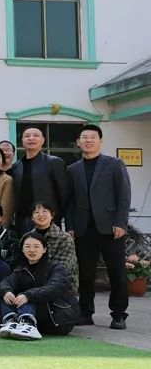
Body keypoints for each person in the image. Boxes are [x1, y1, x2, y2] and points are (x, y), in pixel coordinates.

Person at [66, 124, 132, 329]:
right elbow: (70, 201)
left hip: (111, 228)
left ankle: (118, 314)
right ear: (78, 142)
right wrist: (70, 225)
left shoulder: (114, 164)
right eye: (84, 137)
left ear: (100, 141)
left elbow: (124, 195)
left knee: (117, 273)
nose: (88, 140)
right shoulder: (72, 169)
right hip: (83, 229)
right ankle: (85, 312)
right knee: (85, 274)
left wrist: (120, 222)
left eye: (92, 137)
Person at [0, 233, 80, 339]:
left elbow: (55, 287)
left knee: (28, 295)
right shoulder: (20, 269)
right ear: (22, 250)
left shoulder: (56, 267)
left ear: (44, 249)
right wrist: (6, 291)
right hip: (38, 318)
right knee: (8, 295)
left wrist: (28, 295)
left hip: (56, 319)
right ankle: (11, 322)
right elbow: (5, 283)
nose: (32, 250)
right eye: (27, 246)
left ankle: (28, 324)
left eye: (36, 246)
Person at [11, 126, 70, 233]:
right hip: (22, 222)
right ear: (22, 141)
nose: (31, 138)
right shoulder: (16, 166)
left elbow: (64, 195)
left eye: (36, 135)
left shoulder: (54, 162)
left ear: (43, 140)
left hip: (47, 221)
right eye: (27, 136)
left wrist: (56, 217)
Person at [27, 201, 79, 295]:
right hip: (33, 283)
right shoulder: (27, 238)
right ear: (32, 218)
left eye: (45, 211)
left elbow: (62, 268)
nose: (41, 215)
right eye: (36, 212)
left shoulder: (64, 238)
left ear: (52, 215)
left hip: (60, 286)